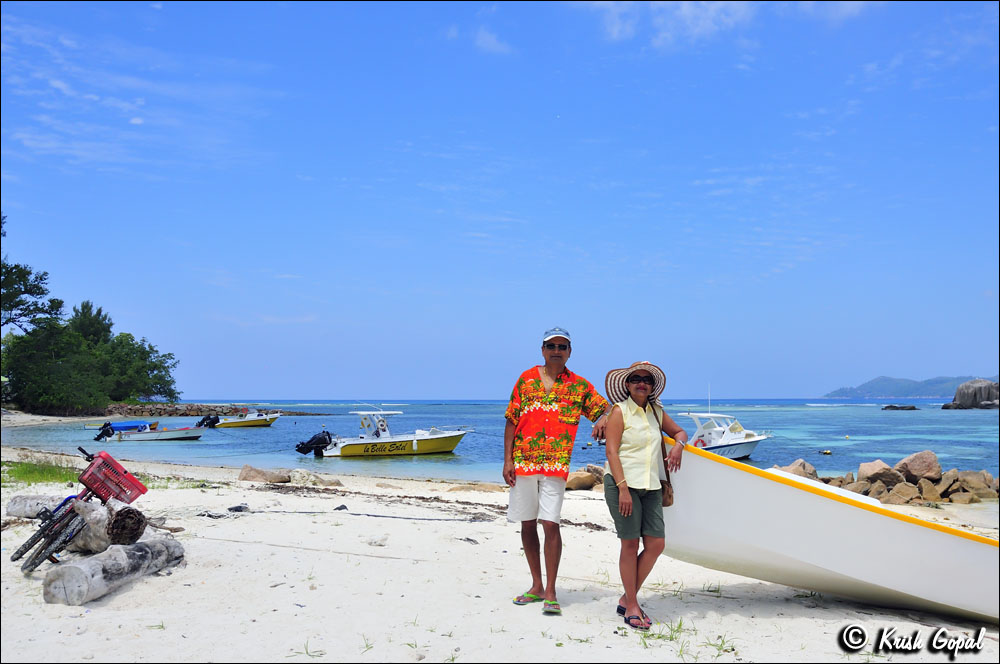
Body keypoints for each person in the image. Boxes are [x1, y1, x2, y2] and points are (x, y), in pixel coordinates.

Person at [504, 327, 609, 615]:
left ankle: (551, 591)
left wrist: (602, 419)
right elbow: (512, 420)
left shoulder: (579, 386)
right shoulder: (525, 380)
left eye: (562, 346)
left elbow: (607, 409)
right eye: (551, 345)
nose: (556, 351)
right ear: (542, 349)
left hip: (555, 466)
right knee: (527, 522)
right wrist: (507, 461)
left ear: (569, 352)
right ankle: (536, 585)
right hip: (523, 462)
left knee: (550, 523)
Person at [602, 361, 688, 631]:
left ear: (652, 387)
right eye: (636, 378)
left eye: (647, 380)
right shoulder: (619, 411)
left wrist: (678, 448)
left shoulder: (656, 412)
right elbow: (612, 452)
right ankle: (632, 605)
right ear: (627, 384)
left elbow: (679, 432)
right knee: (629, 545)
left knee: (656, 544)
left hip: (651, 486)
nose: (642, 383)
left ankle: (627, 599)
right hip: (621, 485)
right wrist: (624, 488)